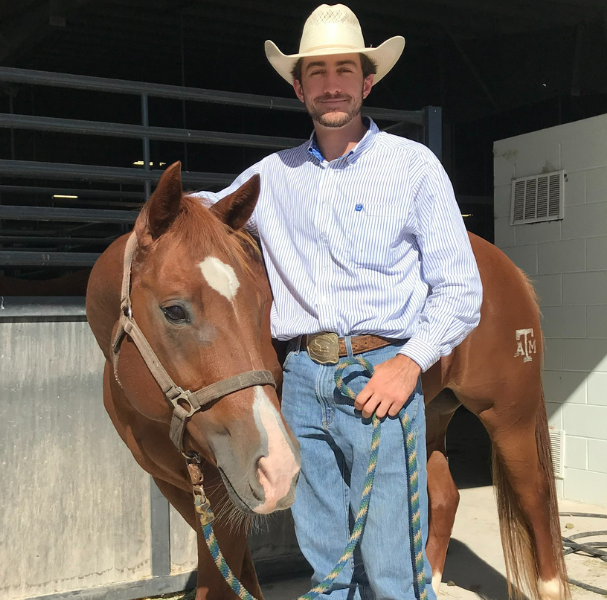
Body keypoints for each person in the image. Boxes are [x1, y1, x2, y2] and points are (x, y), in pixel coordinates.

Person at [196, 5, 482, 599]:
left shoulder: (413, 169)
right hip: (300, 380)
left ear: (366, 82)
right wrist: (150, 223)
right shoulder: (272, 177)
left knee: (390, 569)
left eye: (344, 70)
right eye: (317, 72)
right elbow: (205, 213)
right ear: (298, 87)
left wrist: (410, 364)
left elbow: (461, 291)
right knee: (327, 568)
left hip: (381, 374)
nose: (331, 84)